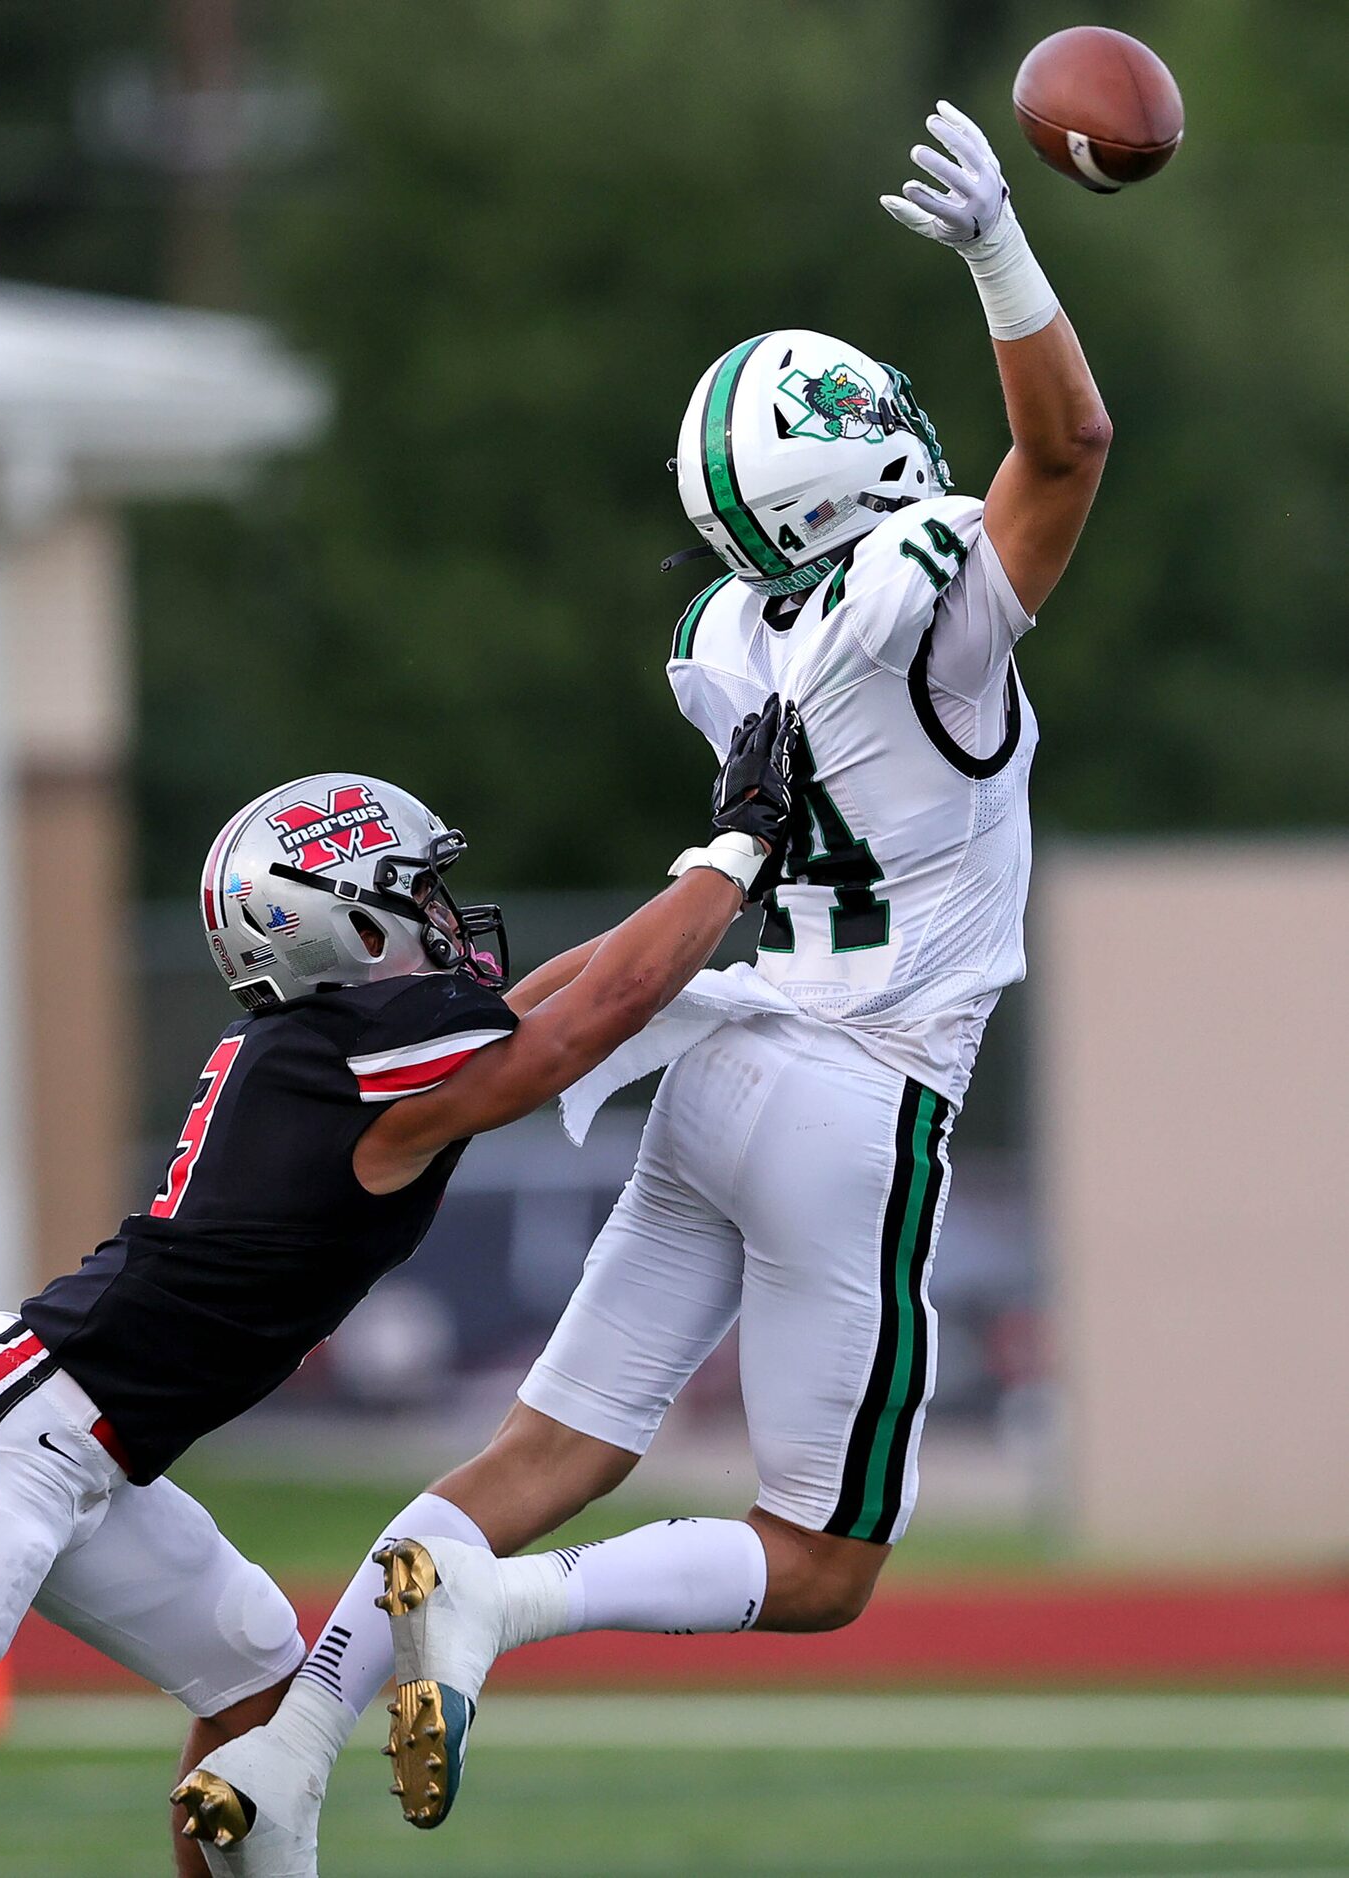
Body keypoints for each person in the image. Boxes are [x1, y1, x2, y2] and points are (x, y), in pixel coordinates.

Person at [184, 98, 1110, 1871]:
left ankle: (292, 1742)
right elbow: (1064, 450)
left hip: (725, 1060)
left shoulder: (723, 638)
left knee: (539, 1445)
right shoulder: (926, 591)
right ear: (856, 475)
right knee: (820, 1561)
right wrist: (1006, 248)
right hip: (863, 1086)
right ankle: (503, 1623)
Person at [0, 718, 796, 1878]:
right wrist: (732, 851)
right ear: (352, 920)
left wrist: (710, 903)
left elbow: (545, 1016)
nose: (443, 915)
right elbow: (584, 1026)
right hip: (15, 1433)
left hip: (85, 1441)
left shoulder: (333, 1049)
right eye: (416, 892)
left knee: (259, 1703)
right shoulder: (348, 1054)